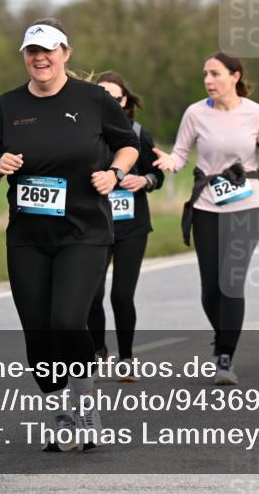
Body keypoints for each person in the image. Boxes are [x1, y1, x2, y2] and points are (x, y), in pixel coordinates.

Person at [0, 18, 138, 451]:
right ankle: (60, 403)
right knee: (38, 334)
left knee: (68, 320)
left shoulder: (93, 99)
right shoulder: (7, 105)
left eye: (48, 50)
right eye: (32, 51)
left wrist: (115, 173)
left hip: (84, 230)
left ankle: (83, 405)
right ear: (25, 57)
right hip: (28, 236)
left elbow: (128, 144)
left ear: (65, 52)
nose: (40, 58)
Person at [152, 52, 259, 386]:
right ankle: (222, 335)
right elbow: (181, 155)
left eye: (215, 74)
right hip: (207, 206)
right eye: (205, 75)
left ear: (235, 76)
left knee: (231, 280)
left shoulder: (257, 114)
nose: (208, 81)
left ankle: (225, 356)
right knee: (210, 289)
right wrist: (170, 161)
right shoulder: (195, 113)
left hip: (248, 204)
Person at [87, 71, 165, 380]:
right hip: (94, 223)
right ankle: (98, 351)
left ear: (125, 101)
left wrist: (143, 179)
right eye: (101, 96)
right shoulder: (84, 133)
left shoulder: (137, 133)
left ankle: (127, 358)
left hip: (131, 225)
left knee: (121, 295)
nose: (109, 102)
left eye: (115, 97)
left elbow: (158, 175)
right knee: (92, 293)